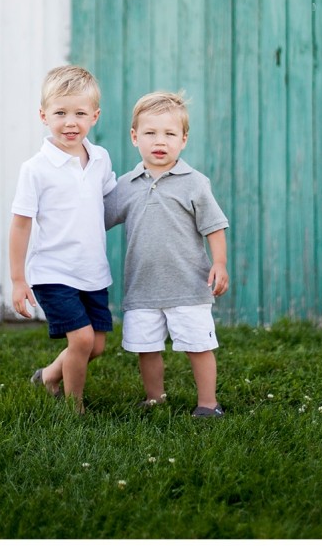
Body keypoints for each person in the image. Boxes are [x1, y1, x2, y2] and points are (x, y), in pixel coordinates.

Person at [104, 91, 229, 418]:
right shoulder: (127, 185)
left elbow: (214, 227)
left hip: (188, 286)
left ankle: (208, 403)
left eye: (170, 134)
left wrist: (219, 262)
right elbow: (99, 219)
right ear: (135, 137)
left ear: (183, 139)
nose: (160, 141)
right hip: (142, 288)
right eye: (150, 133)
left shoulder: (194, 183)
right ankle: (155, 398)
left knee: (198, 346)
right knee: (147, 348)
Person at [9, 65, 116, 412]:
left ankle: (48, 376)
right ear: (43, 115)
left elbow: (112, 202)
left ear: (95, 116)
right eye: (60, 113)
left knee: (95, 346)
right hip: (53, 271)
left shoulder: (99, 159)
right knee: (82, 339)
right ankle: (75, 408)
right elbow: (21, 224)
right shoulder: (36, 169)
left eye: (80, 113)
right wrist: (17, 279)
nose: (70, 122)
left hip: (93, 270)